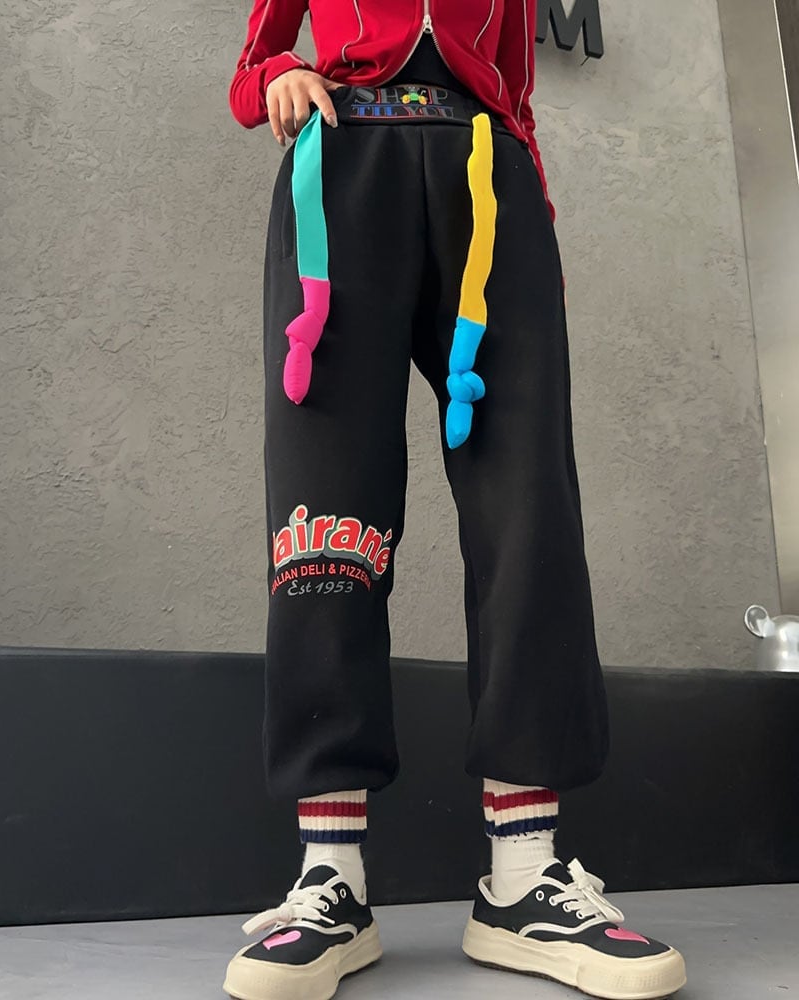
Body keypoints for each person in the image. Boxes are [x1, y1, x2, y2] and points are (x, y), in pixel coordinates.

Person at [222, 3, 687, 1000]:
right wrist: (274, 79)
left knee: (529, 505)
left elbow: (511, 84)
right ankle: (329, 877)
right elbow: (257, 55)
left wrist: (531, 203)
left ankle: (523, 875)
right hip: (341, 170)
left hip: (487, 181)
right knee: (325, 509)